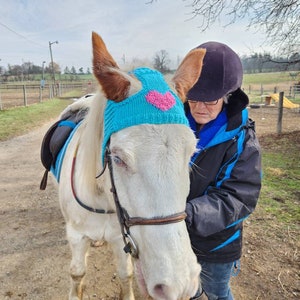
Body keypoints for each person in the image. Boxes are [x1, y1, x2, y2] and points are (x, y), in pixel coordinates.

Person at [184, 42, 262, 300]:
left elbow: (239, 197)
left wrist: (186, 214)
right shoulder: (178, 128)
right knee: (188, 288)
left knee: (218, 292)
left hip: (217, 244)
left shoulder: (242, 140)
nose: (200, 108)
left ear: (227, 96)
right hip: (178, 235)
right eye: (194, 99)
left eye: (211, 101)